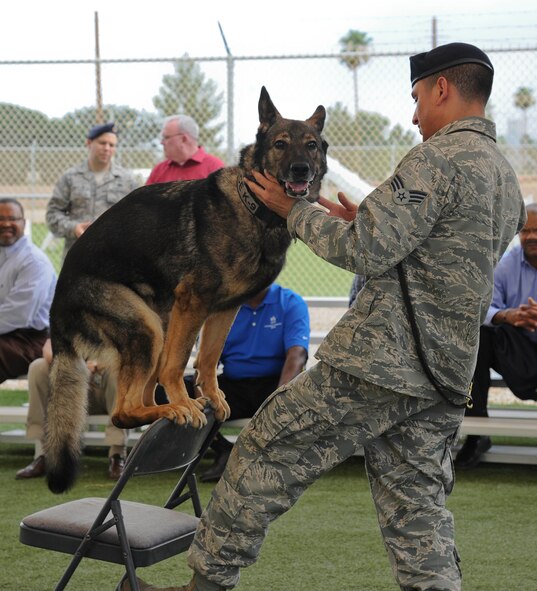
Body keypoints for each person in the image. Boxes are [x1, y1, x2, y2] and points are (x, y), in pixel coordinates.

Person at [123, 43, 526, 591]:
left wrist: (296, 212)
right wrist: (372, 221)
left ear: (441, 89)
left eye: (416, 99)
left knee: (265, 447)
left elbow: (362, 252)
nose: (413, 115)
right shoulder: (504, 176)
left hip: (380, 363)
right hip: (445, 374)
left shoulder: (436, 158)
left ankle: (206, 585)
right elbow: (446, 253)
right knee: (418, 510)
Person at [190, 283, 310, 483]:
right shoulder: (222, 307)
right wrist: (202, 398)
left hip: (273, 384)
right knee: (176, 393)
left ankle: (262, 456)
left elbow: (297, 355)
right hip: (232, 386)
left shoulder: (289, 301)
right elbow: (205, 361)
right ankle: (223, 450)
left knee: (301, 393)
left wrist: (279, 399)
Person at [455, 203, 537, 468]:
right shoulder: (507, 263)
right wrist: (509, 315)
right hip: (519, 348)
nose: (531, 236)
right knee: (477, 333)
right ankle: (477, 433)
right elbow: (483, 307)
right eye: (525, 231)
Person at [15, 338, 128, 481]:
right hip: (70, 390)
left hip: (103, 391)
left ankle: (117, 455)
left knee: (118, 370)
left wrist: (100, 364)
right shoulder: (65, 319)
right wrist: (76, 366)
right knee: (38, 367)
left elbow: (127, 352)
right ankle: (45, 454)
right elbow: (49, 350)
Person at [46, 122, 139, 260]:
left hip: (115, 258)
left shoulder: (127, 180)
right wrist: (73, 228)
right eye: (102, 143)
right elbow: (53, 215)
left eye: (112, 145)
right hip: (77, 257)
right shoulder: (70, 177)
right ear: (89, 143)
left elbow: (137, 218)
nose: (107, 148)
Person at [0, 198, 56, 383]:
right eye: (0, 218)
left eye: (13, 218)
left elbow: (18, 315)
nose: (6, 223)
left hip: (32, 339)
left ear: (23, 223)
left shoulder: (33, 261)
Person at [145, 115, 224, 185]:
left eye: (166, 138)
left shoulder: (214, 167)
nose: (161, 142)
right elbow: (144, 200)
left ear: (183, 139)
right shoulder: (159, 170)